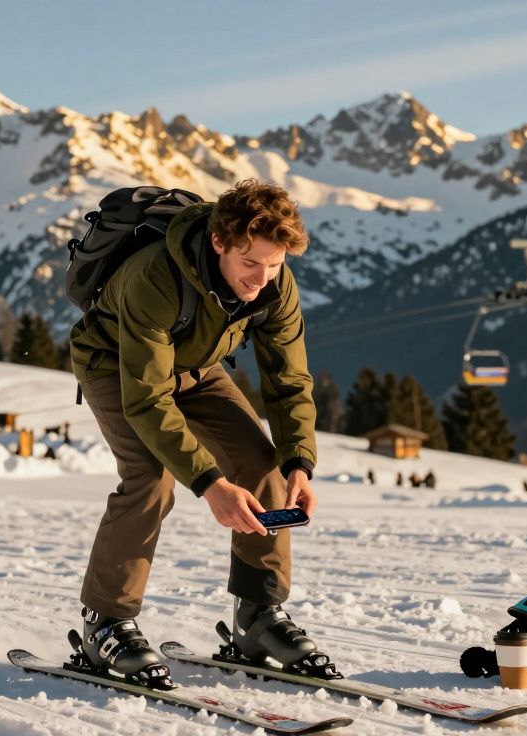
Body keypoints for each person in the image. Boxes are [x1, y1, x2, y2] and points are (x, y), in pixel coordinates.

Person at [68, 180, 324, 685]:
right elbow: (146, 399)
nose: (262, 278)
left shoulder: (275, 283)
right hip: (116, 366)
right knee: (150, 475)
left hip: (199, 369)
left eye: (274, 265)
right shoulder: (155, 276)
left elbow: (288, 379)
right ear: (219, 243)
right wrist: (209, 484)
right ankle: (106, 622)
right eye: (251, 264)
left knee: (263, 464)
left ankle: (258, 615)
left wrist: (299, 460)